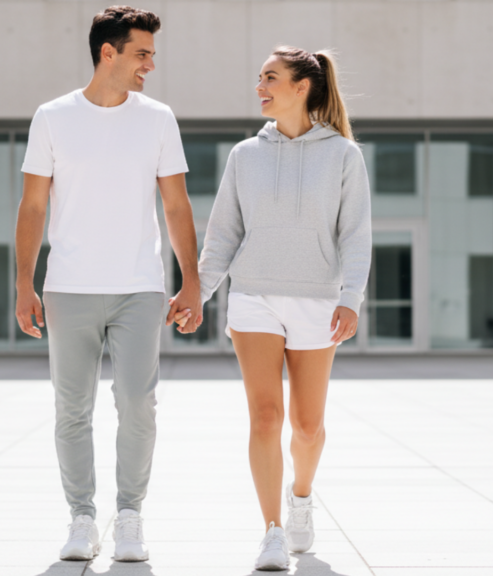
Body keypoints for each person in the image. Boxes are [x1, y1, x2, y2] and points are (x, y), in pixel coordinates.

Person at [14, 5, 202, 564]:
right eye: (142, 53)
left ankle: (129, 517)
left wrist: (191, 282)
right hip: (67, 287)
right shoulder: (52, 117)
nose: (150, 64)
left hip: (140, 288)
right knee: (72, 408)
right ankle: (81, 518)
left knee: (138, 405)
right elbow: (32, 205)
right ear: (108, 52)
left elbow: (176, 204)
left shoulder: (158, 118)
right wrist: (25, 284)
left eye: (151, 54)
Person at [197, 46, 372, 571]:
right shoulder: (244, 155)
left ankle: (300, 497)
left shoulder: (342, 154)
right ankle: (272, 529)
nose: (260, 87)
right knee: (265, 418)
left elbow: (356, 234)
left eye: (270, 78)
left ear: (302, 87)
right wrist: (196, 293)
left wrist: (350, 299)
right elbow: (223, 232)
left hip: (317, 299)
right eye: (259, 78)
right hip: (253, 297)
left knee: (307, 425)